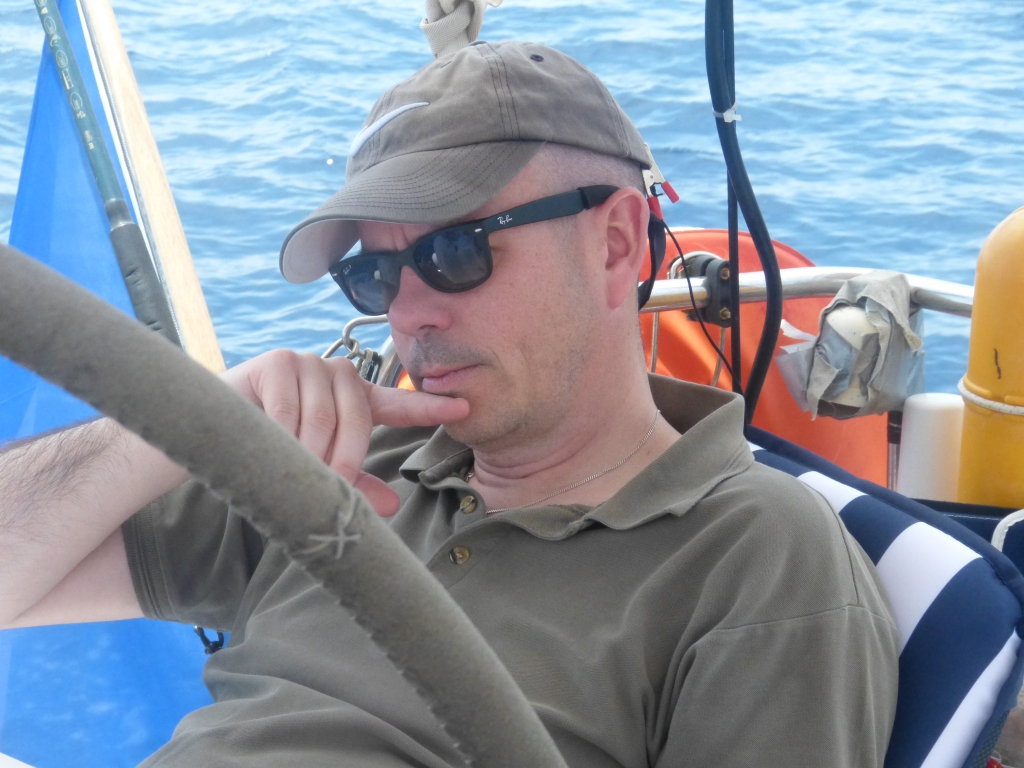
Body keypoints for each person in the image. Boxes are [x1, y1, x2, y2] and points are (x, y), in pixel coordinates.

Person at [0, 41, 898, 766]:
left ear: (617, 244)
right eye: (375, 273)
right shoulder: (343, 465)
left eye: (455, 253)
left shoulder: (753, 555)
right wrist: (195, 425)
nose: (408, 312)